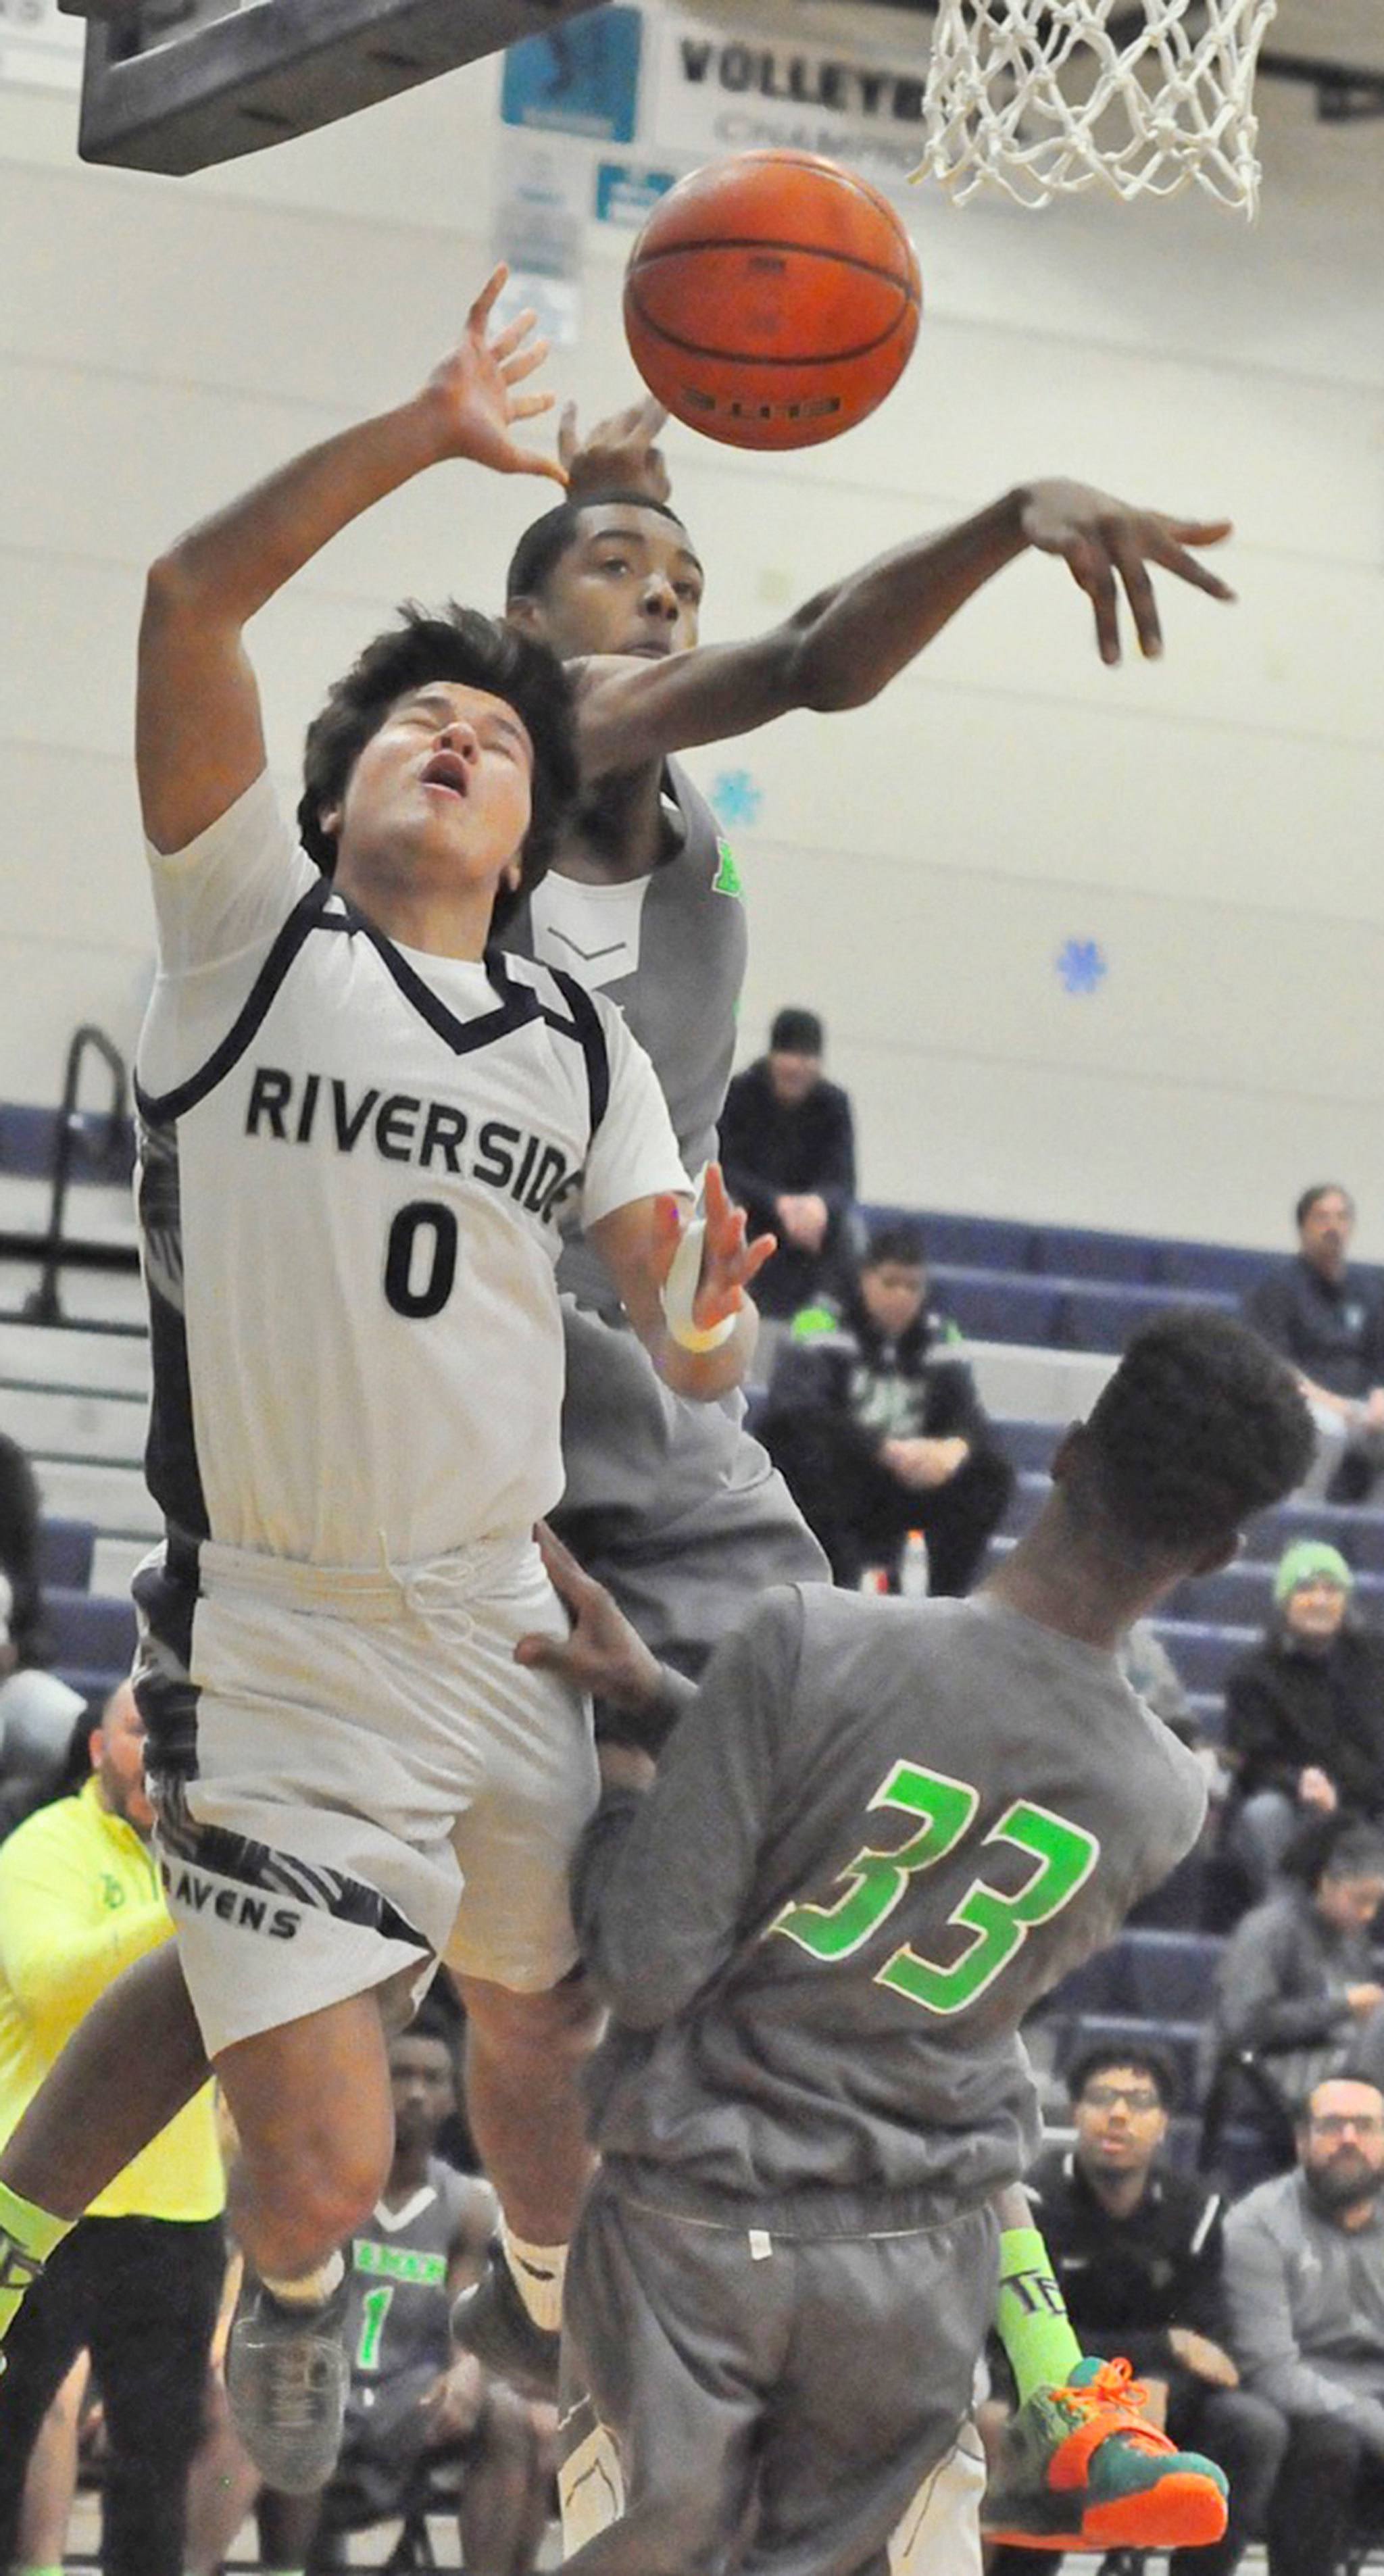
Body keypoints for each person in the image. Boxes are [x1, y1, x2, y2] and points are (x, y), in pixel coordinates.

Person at [0, 270, 774, 2500]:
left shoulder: (579, 1044)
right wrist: (429, 432)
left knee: (540, 2013)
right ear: (331, 789)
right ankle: (312, 2272)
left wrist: (714, 1317)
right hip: (279, 1641)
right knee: (323, 2172)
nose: (458, 734)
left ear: (531, 836)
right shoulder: (248, 939)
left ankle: (571, 2345)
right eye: (416, 719)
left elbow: (676, 1312)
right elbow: (183, 593)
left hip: (493, 1614)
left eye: (501, 735)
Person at [512, 1310, 1314, 2574]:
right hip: (911, 2258)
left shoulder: (803, 1640)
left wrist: (622, 1775)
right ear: (1217, 1552)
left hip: (699, 2222)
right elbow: (911, 1834)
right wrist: (684, 1707)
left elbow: (646, 1963)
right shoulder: (1165, 1795)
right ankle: (1067, 2422)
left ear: (1066, 1448)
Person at [495, 403, 1241, 1681]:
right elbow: (806, 657)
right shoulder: (529, 740)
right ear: (520, 626)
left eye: (684, 584)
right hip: (496, 1324)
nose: (665, 599)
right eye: (616, 574)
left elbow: (778, 636)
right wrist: (1012, 516)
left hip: (665, 1339)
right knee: (734, 1700)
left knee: (714, 1720)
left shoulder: (666, 777)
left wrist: (618, 522)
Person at [0, 1683, 226, 2576]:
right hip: (44, 2196)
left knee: (155, 2467)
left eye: (181, 1739)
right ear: (98, 1747)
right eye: (143, 1732)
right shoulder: (41, 1847)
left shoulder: (217, 1853)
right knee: (6, 2443)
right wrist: (195, 1907)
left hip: (176, 2214)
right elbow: (52, 1986)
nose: (161, 1754)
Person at [257, 2014, 552, 2576]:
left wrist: (468, 2372)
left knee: (509, 2416)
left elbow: (464, 2314)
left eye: (432, 2079)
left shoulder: (467, 2205)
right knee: (293, 2393)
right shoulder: (326, 2183)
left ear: (452, 2099)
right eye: (400, 2074)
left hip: (408, 2400)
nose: (416, 2092)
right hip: (325, 2387)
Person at [988, 2041, 1289, 2576]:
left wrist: (1166, 2382)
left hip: (1163, 2397)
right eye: (1102, 2096)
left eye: (1139, 2101)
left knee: (1254, 2428)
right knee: (1009, 2424)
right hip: (1051, 2393)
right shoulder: (1030, 2203)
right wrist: (1159, 2351)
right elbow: (1016, 2340)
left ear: (1166, 2122)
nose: (1119, 2114)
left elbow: (1212, 2344)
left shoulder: (1198, 2209)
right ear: (1075, 2111)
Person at [760, 1218, 1014, 1593]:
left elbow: (969, 1415)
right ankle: (830, 1586)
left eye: (912, 1286)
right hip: (843, 1474)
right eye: (890, 1283)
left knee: (990, 1472)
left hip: (908, 1479)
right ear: (865, 1278)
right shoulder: (819, 1322)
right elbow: (798, 1411)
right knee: (801, 1450)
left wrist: (953, 1449)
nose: (901, 1297)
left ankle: (948, 1599)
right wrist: (880, 1448)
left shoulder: (939, 1333)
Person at [1223, 2072, 1384, 2576]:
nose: (1349, 2141)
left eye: (1365, 2126)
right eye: (1332, 2126)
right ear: (1301, 2140)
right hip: (1306, 2406)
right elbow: (1271, 2369)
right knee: (1327, 2446)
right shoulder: (1257, 2223)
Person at [1204, 1813, 1384, 2175]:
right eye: (1359, 1899)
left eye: (1376, 1903)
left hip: (1330, 2066)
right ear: (1326, 1883)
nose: (1368, 1914)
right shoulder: (1269, 1929)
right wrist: (1343, 2008)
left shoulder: (1352, 1940)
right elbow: (1244, 2026)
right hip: (1255, 2074)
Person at [1223, 1540, 1384, 1899]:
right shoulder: (1252, 1673)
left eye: (1331, 1590)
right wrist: (1302, 1784)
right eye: (1306, 1589)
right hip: (1293, 1806)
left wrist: (1351, 1796)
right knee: (1264, 1814)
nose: (1320, 1600)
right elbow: (1251, 1762)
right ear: (1285, 1601)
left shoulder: (1375, 1659)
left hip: (1368, 1805)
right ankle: (1293, 1920)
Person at [1243, 1185, 1384, 1500]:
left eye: (1341, 1217)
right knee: (1327, 1429)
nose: (1333, 1226)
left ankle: (1373, 1536)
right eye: (1322, 1217)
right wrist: (1336, 1406)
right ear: (1303, 1226)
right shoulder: (1278, 1289)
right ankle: (1308, 1523)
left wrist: (1380, 1398)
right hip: (1308, 1406)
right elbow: (1275, 1366)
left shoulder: (1370, 1292)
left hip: (1363, 1410)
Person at [717, 1008, 858, 1320]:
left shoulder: (833, 1104)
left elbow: (843, 1179)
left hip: (810, 1221)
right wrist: (776, 1203)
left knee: (850, 1234)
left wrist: (818, 1205)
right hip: (753, 1208)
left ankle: (831, 1318)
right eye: (789, 1056)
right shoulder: (741, 1093)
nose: (797, 1068)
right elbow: (725, 1166)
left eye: (806, 1058)